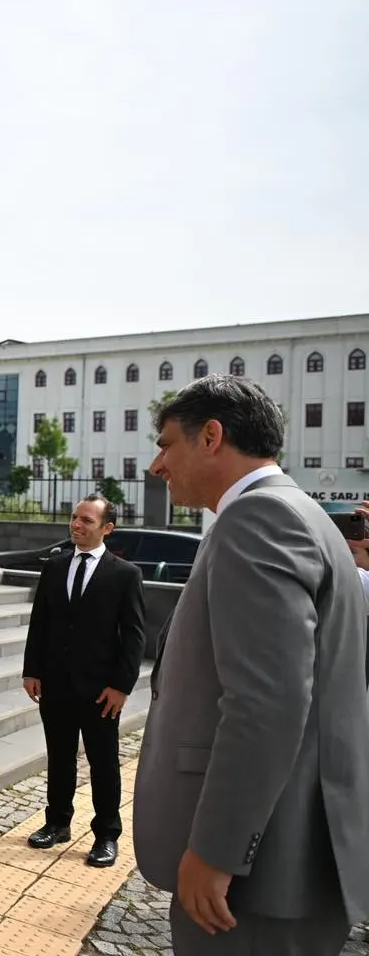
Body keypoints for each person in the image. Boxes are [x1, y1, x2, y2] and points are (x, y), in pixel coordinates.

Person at [133, 376, 369, 956]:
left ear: (211, 436)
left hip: (261, 876)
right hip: (286, 859)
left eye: (166, 444)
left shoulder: (260, 519)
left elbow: (267, 703)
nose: (158, 464)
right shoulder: (302, 514)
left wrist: (217, 851)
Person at [21, 494, 145, 868]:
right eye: (74, 518)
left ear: (107, 528)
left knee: (103, 762)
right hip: (55, 685)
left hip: (101, 691)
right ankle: (57, 823)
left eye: (86, 520)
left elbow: (135, 636)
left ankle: (107, 835)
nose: (76, 525)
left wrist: (122, 686)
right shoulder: (55, 567)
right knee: (59, 758)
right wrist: (32, 670)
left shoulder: (125, 574)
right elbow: (40, 622)